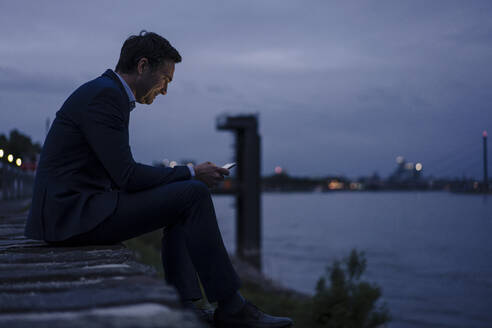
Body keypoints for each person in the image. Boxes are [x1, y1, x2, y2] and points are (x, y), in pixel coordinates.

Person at [24, 31, 293, 328]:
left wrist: (183, 177)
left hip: (75, 209)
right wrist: (191, 171)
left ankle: (187, 305)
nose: (164, 90)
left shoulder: (104, 92)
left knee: (183, 196)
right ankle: (231, 307)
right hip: (71, 216)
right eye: (165, 79)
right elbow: (126, 175)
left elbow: (120, 173)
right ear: (142, 66)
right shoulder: (106, 96)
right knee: (193, 194)